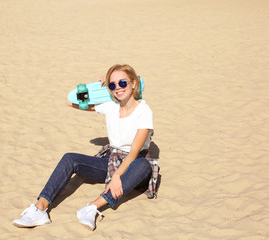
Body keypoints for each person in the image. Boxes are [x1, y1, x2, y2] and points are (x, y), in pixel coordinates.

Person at [12, 64, 159, 231]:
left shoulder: (144, 111)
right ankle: (40, 209)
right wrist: (96, 87)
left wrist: (117, 176)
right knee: (70, 158)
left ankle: (91, 208)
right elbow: (70, 101)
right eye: (113, 85)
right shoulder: (110, 105)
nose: (118, 88)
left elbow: (134, 152)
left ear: (133, 83)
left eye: (123, 83)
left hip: (134, 165)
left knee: (144, 165)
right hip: (111, 161)